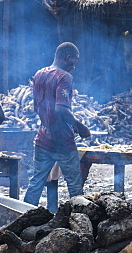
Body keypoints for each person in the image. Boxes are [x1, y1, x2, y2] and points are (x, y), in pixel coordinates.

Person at [24, 42, 91, 205]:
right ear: (67, 58)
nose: (74, 68)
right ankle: (80, 221)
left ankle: (21, 216)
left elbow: (35, 107)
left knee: (36, 183)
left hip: (43, 137)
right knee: (75, 187)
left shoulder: (39, 74)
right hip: (62, 141)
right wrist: (80, 127)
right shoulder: (64, 77)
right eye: (73, 63)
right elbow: (61, 109)